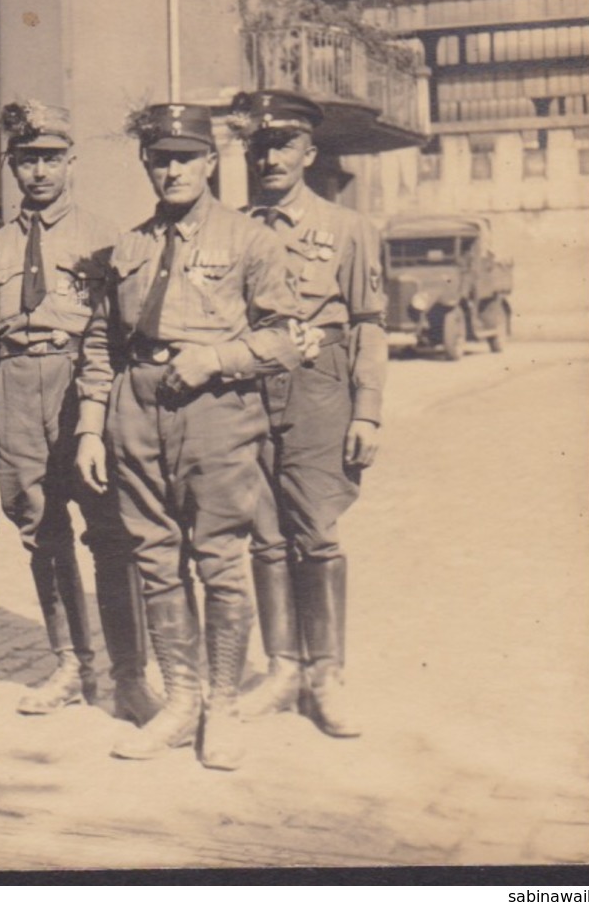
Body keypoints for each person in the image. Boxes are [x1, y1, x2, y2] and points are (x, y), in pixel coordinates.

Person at [106, 103, 304, 770]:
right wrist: (90, 423)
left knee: (218, 557)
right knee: (154, 558)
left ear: (210, 162)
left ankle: (221, 706)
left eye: (184, 157)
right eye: (160, 158)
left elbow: (287, 338)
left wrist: (215, 358)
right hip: (135, 410)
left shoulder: (250, 240)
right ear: (146, 164)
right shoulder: (129, 245)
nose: (171, 170)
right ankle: (180, 700)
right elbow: (100, 343)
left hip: (215, 410)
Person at [0, 100, 161, 723]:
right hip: (14, 383)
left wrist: (101, 409)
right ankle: (70, 664)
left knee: (108, 531)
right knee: (40, 531)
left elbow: (118, 333)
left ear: (72, 162)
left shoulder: (106, 237)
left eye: (51, 159)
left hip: (80, 383)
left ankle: (130, 674)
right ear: (11, 165)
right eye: (27, 160)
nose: (39, 172)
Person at [233, 90, 386, 738]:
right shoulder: (234, 227)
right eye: (260, 146)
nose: (271, 157)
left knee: (314, 530)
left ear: (308, 152)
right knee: (263, 531)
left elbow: (370, 324)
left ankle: (326, 673)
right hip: (248, 386)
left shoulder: (347, 228)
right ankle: (281, 668)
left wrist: (367, 411)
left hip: (319, 385)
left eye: (284, 144)